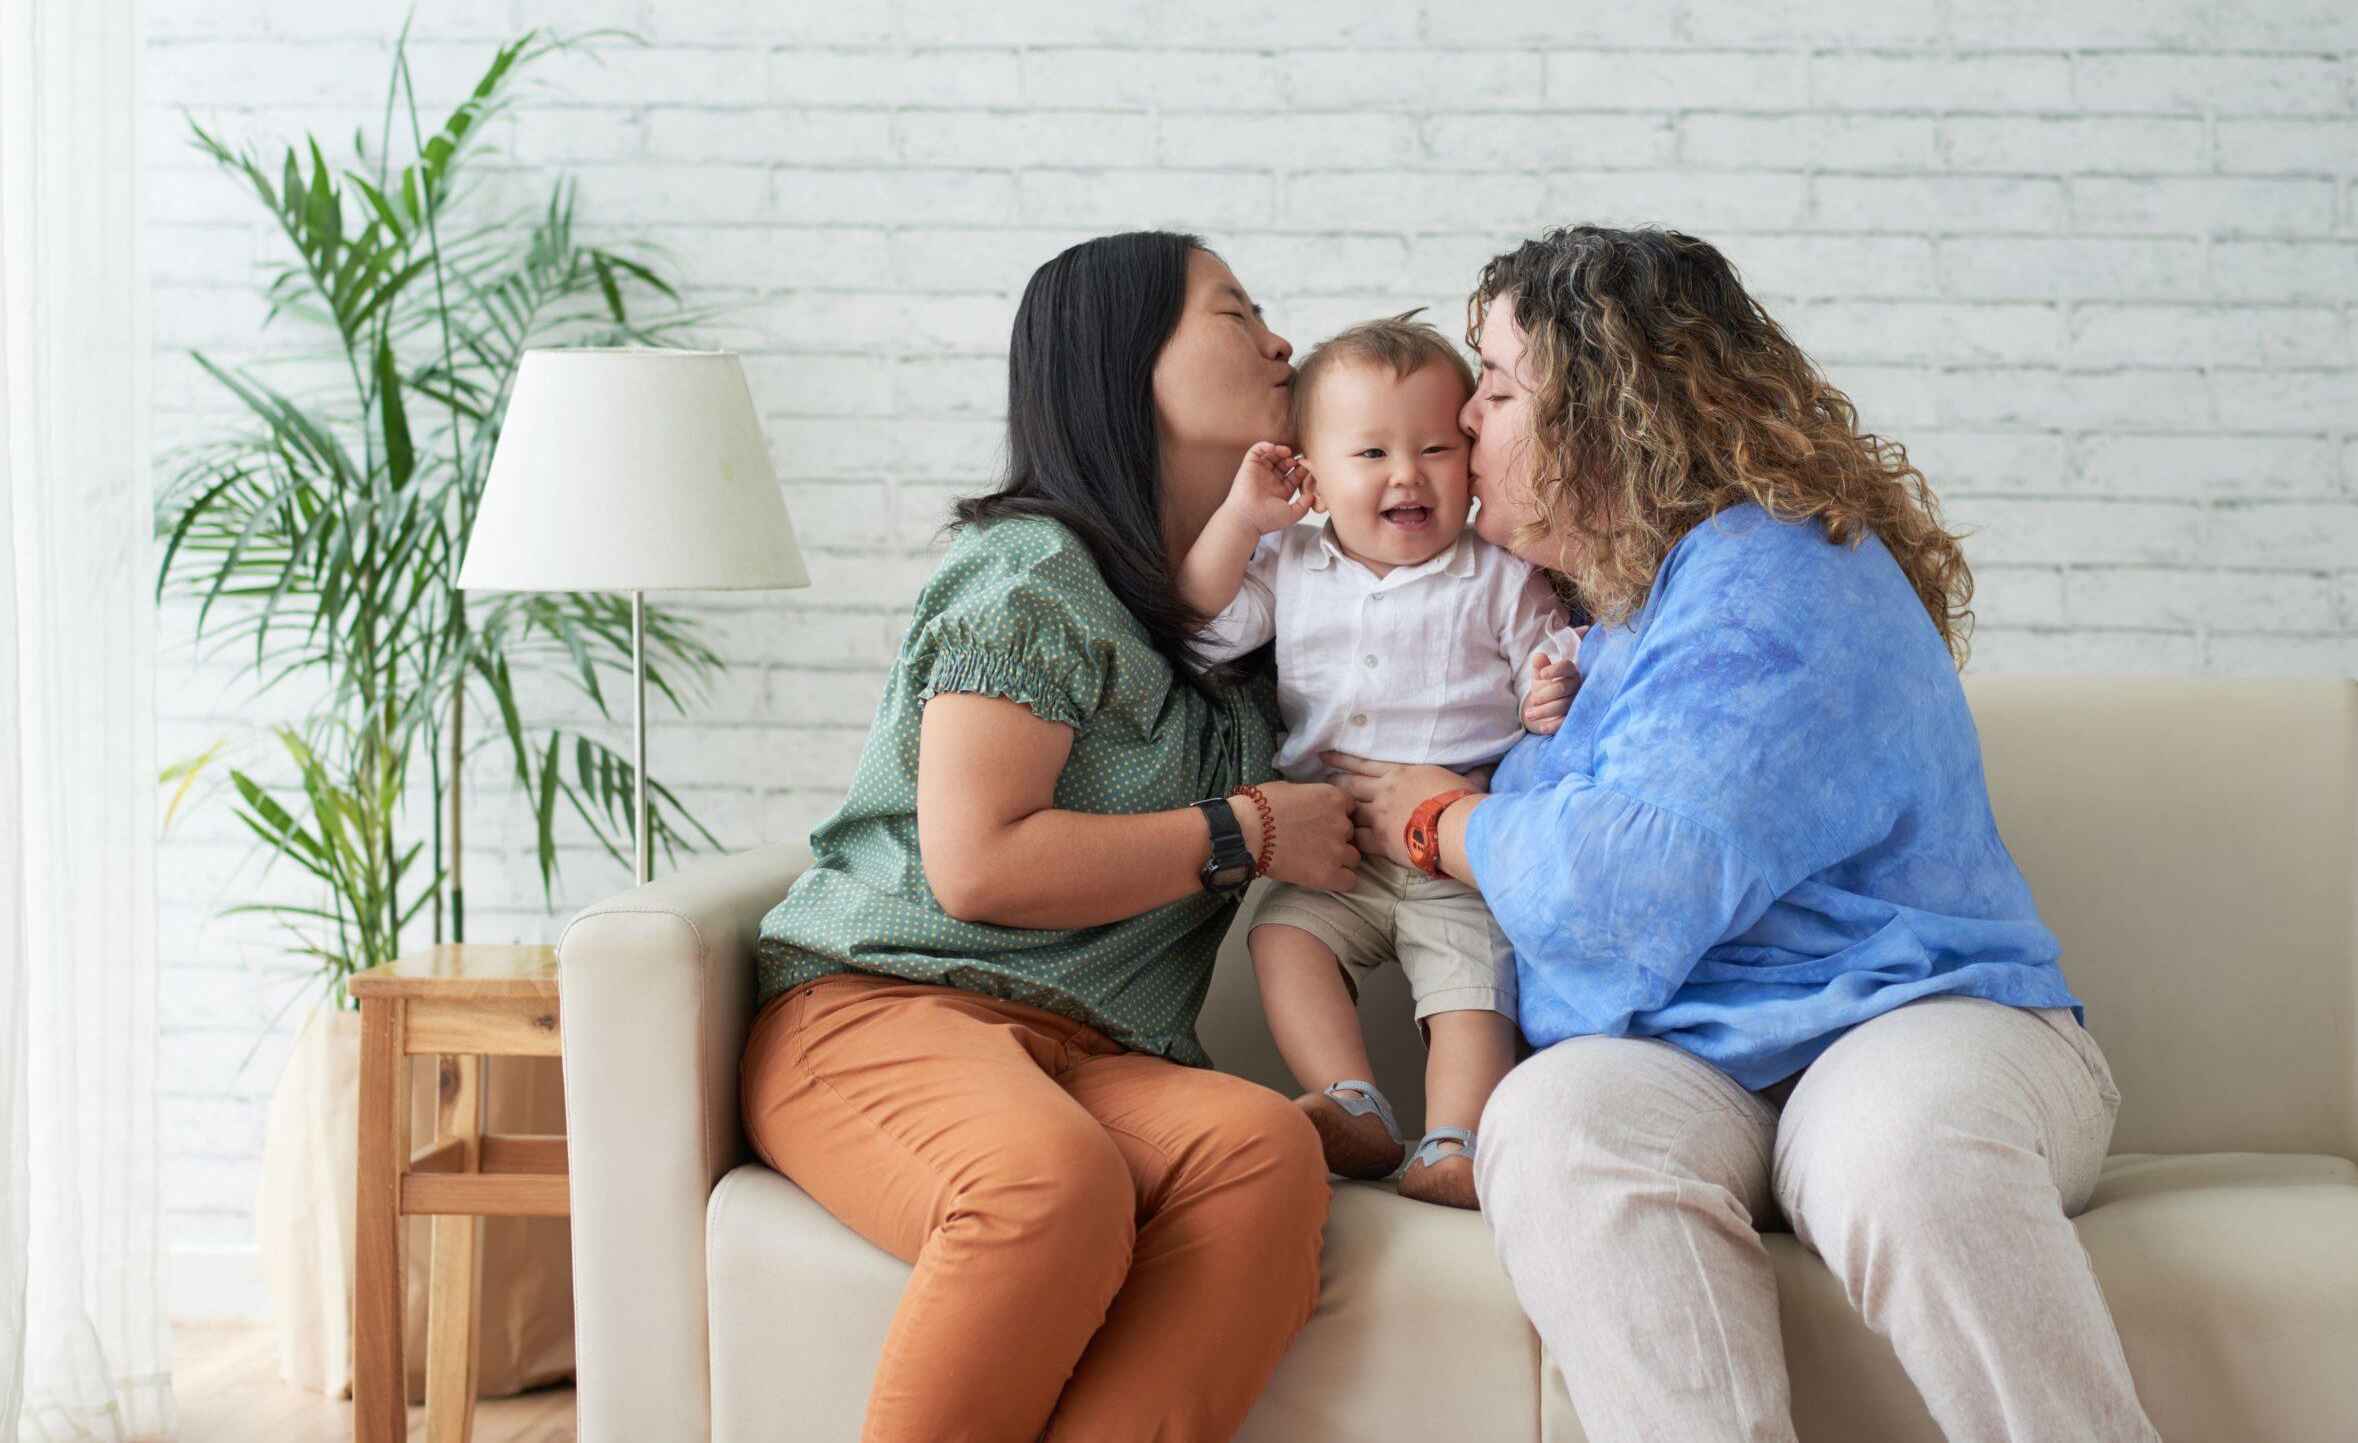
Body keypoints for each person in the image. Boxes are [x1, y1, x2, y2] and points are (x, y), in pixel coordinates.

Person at [1327, 225, 2161, 1443]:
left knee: (1895, 1144)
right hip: (1694, 1064)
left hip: (1908, 1016)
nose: (1463, 420)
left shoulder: (1780, 573)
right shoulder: (1610, 624)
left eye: (1497, 388)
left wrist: (1441, 814)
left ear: (1609, 413)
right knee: (1553, 1120)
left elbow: (1618, 894)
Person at [742, 230, 1360, 1443]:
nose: (1280, 341)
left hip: (1097, 1050)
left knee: (1259, 1149)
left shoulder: (1258, 614)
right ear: (1124, 363)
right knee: (1046, 1182)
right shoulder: (1031, 574)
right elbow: (978, 863)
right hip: (882, 1011)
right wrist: (1245, 829)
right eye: (1237, 313)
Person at [1178, 313, 1580, 1209]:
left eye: (1436, 447)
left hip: (1457, 853)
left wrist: (1549, 693)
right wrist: (1245, 516)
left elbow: (1555, 663)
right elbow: (1202, 624)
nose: (1407, 474)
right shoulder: (1289, 562)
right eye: (1370, 454)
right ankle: (1350, 1098)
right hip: (1337, 851)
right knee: (1282, 938)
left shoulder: (1500, 573)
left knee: (1470, 987)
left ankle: (1456, 1142)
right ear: (1309, 473)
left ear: (1470, 461)